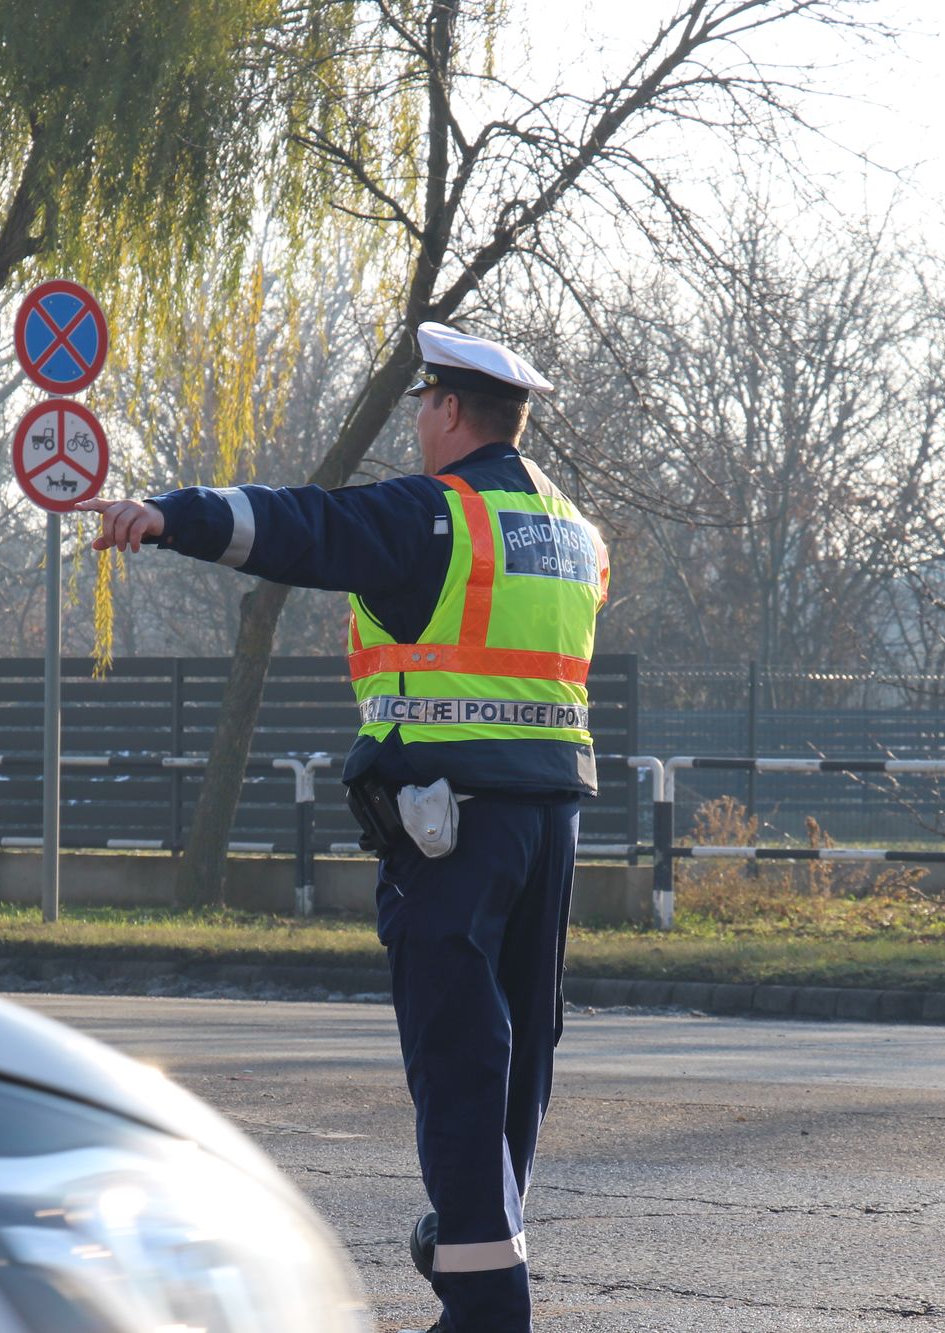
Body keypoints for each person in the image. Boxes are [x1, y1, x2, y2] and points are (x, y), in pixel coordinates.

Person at [78, 320, 609, 1333]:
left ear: (450, 410)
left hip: (449, 826)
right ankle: (470, 1245)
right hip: (550, 823)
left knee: (458, 1055)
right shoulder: (571, 530)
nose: (417, 424)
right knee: (516, 1056)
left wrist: (168, 515)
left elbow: (301, 527)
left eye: (423, 407)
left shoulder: (438, 519)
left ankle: (484, 1302)